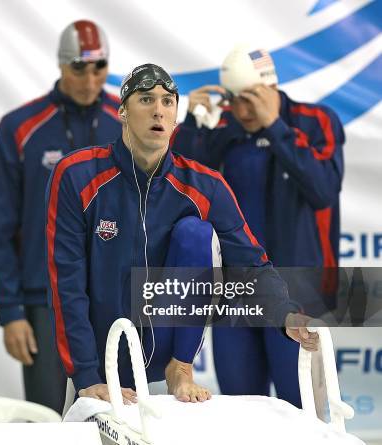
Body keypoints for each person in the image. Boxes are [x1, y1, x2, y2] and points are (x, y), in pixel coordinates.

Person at [46, 63, 318, 404]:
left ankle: (182, 367)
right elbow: (65, 283)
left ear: (175, 114)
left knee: (195, 233)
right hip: (102, 350)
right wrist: (86, 375)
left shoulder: (205, 186)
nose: (158, 110)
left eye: (167, 101)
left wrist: (286, 314)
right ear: (122, 111)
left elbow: (252, 265)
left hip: (166, 349)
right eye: (145, 100)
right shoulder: (77, 175)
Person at [172, 44, 344, 407]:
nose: (242, 109)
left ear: (271, 86)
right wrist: (189, 127)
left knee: (303, 417)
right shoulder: (223, 130)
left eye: (250, 97)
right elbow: (178, 190)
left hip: (300, 291)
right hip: (237, 295)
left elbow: (323, 190)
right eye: (233, 99)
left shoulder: (315, 121)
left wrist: (275, 127)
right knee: (241, 412)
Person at [0, 20, 121, 413]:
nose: (90, 79)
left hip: (112, 295)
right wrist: (10, 312)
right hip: (45, 299)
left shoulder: (125, 121)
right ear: (61, 66)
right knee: (47, 417)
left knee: (117, 417)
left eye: (99, 68)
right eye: (79, 67)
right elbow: (0, 227)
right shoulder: (21, 128)